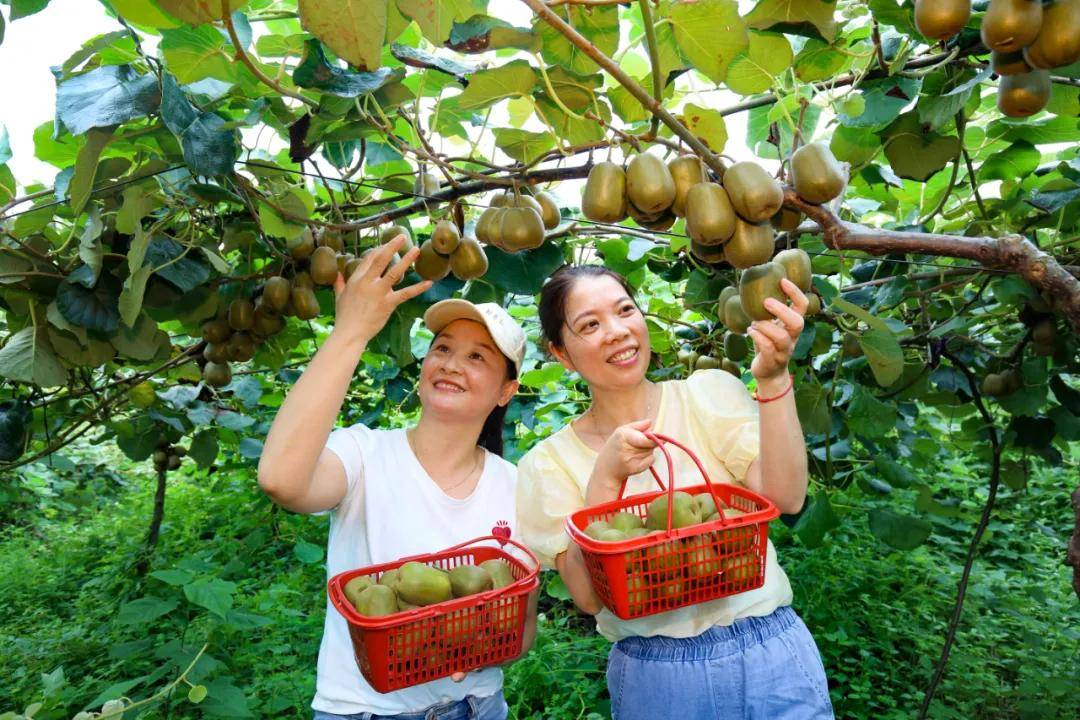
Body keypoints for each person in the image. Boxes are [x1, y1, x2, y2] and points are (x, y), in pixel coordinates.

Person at [516, 264, 834, 719]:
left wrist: (772, 378)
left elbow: (786, 498)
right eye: (590, 324)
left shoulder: (707, 395)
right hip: (659, 676)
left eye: (625, 311)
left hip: (771, 650)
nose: (617, 331)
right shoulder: (547, 464)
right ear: (561, 354)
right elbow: (588, 596)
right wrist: (605, 479)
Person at [258, 237, 536, 720]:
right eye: (442, 348)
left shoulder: (515, 486)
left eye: (477, 357)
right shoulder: (364, 454)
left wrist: (479, 647)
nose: (450, 364)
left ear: (506, 391)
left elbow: (521, 630)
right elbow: (282, 479)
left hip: (480, 706)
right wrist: (351, 333)